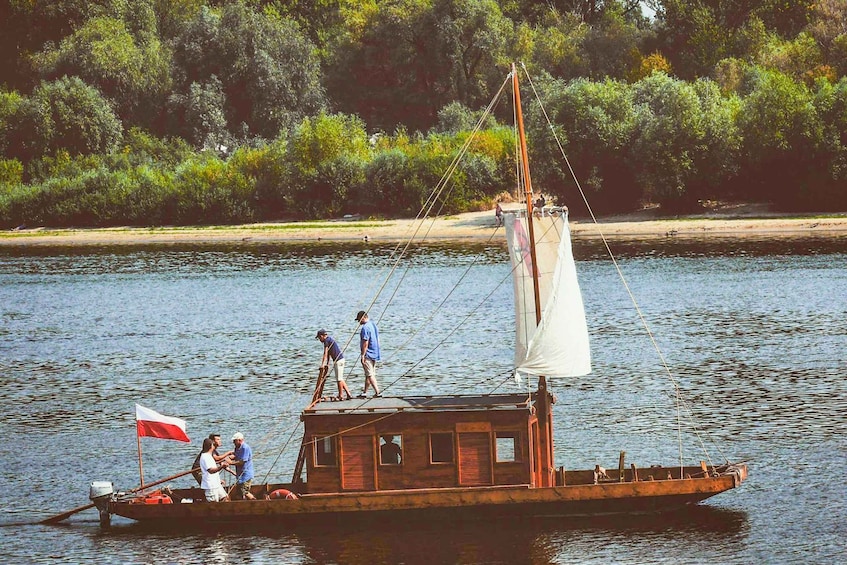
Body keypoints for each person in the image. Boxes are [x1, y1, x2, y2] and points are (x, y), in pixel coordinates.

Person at [316, 329, 352, 401]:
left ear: (322, 336)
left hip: (338, 361)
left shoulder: (326, 341)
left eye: (319, 338)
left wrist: (322, 364)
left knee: (339, 379)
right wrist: (327, 363)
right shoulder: (329, 340)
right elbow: (329, 353)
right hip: (340, 360)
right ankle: (348, 394)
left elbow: (325, 353)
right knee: (340, 378)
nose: (319, 340)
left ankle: (340, 396)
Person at [356, 310, 381, 397]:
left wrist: (363, 355)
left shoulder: (365, 328)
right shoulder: (373, 324)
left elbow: (365, 342)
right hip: (375, 352)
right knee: (368, 374)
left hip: (368, 354)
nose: (359, 322)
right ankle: (365, 392)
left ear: (363, 317)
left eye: (359, 320)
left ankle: (377, 392)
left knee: (370, 374)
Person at [199, 437, 230, 502]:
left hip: (216, 484)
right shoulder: (205, 457)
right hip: (210, 486)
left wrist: (219, 480)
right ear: (210, 446)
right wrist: (222, 466)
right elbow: (211, 471)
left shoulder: (209, 455)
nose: (214, 446)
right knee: (214, 504)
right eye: (213, 445)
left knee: (225, 498)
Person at [230, 432, 256, 500]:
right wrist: (228, 458)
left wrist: (230, 463)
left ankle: (255, 501)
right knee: (239, 493)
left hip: (246, 474)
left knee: (244, 492)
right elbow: (236, 455)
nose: (233, 442)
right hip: (240, 475)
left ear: (240, 440)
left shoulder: (245, 448)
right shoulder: (237, 448)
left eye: (234, 441)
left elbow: (242, 462)